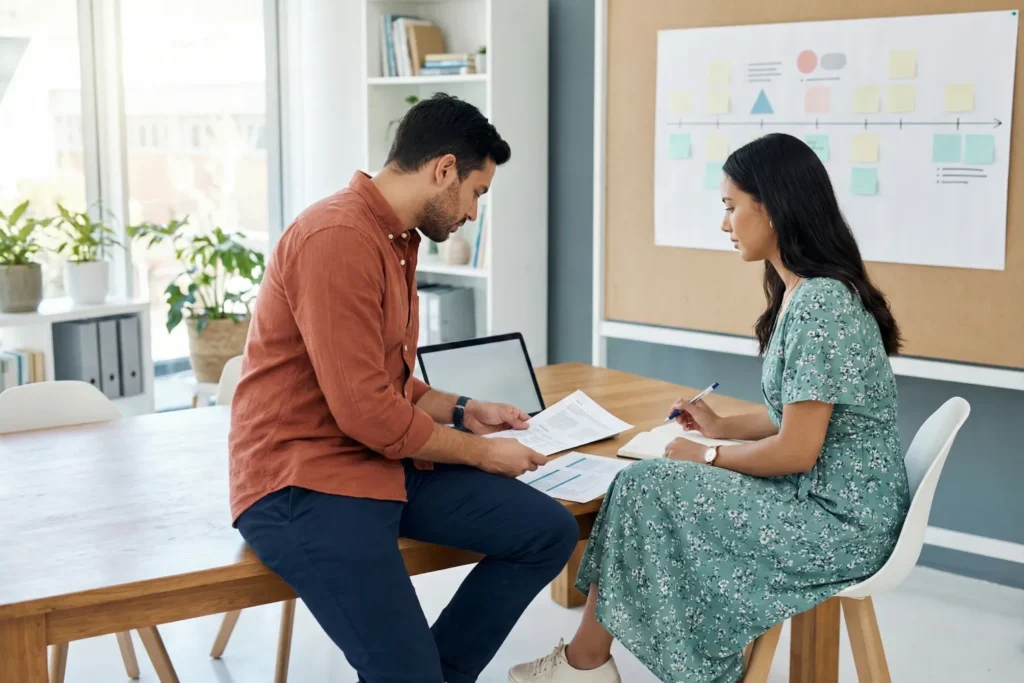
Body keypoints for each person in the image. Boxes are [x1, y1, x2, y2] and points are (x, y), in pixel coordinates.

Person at [509, 132, 909, 683]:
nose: (725, 224)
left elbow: (796, 449)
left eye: (730, 207)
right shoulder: (801, 291)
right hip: (823, 492)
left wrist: (710, 454)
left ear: (772, 208)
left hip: (839, 520)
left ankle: (588, 663)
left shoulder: (821, 303)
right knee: (646, 485)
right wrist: (722, 425)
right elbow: (799, 417)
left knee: (648, 484)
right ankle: (587, 661)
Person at [228, 92, 579, 683]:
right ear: (444, 169)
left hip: (375, 461)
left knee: (547, 531)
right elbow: (366, 411)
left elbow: (385, 382)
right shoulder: (336, 238)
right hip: (303, 481)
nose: (472, 213)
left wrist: (464, 410)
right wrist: (483, 454)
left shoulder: (394, 240)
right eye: (476, 194)